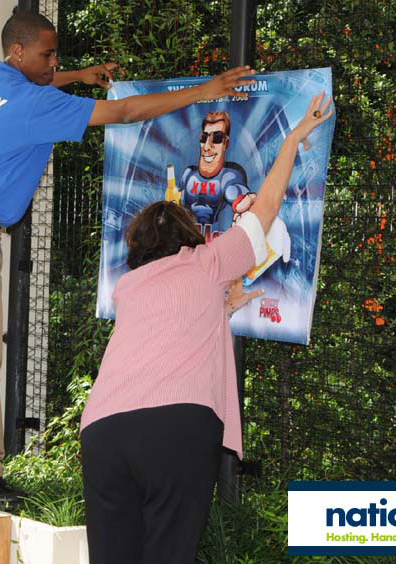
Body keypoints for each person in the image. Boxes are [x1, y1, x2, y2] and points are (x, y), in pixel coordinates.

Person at [0, 8, 256, 508]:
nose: (54, 62)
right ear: (18, 52)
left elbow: (44, 79)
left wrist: (77, 76)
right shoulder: (34, 106)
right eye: (47, 54)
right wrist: (203, 91)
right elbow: (123, 114)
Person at [79, 93, 333, 564]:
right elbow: (268, 207)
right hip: (177, 429)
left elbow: (169, 327)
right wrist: (293, 139)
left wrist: (219, 308)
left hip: (102, 433)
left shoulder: (128, 288)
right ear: (191, 237)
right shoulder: (209, 262)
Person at [172, 110, 254, 238]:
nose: (207, 146)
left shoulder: (229, 178)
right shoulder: (188, 175)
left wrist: (247, 209)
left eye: (216, 138)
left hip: (216, 250)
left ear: (225, 143)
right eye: (204, 138)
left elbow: (244, 201)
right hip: (189, 248)